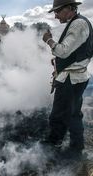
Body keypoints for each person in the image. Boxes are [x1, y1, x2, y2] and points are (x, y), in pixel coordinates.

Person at [42, 0, 93, 160]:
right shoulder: (78, 22)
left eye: (57, 11)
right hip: (74, 77)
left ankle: (63, 147)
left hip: (72, 79)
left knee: (64, 114)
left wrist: (48, 40)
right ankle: (72, 145)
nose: (56, 16)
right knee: (70, 113)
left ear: (69, 8)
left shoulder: (78, 24)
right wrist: (58, 62)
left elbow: (63, 51)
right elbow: (73, 53)